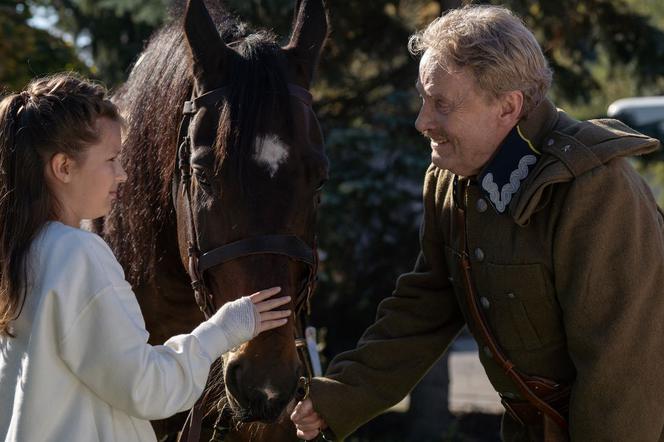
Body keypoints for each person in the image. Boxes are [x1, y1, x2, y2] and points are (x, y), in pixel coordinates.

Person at [291, 4, 664, 442]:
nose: (422, 121)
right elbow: (427, 305)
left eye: (442, 104)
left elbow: (620, 372)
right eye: (423, 99)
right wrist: (339, 396)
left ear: (508, 107)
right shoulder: (452, 181)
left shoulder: (595, 189)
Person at [0, 73, 292, 442]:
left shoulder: (22, 252)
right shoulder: (77, 253)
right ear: (64, 168)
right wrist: (226, 328)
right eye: (111, 159)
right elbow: (145, 388)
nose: (122, 175)